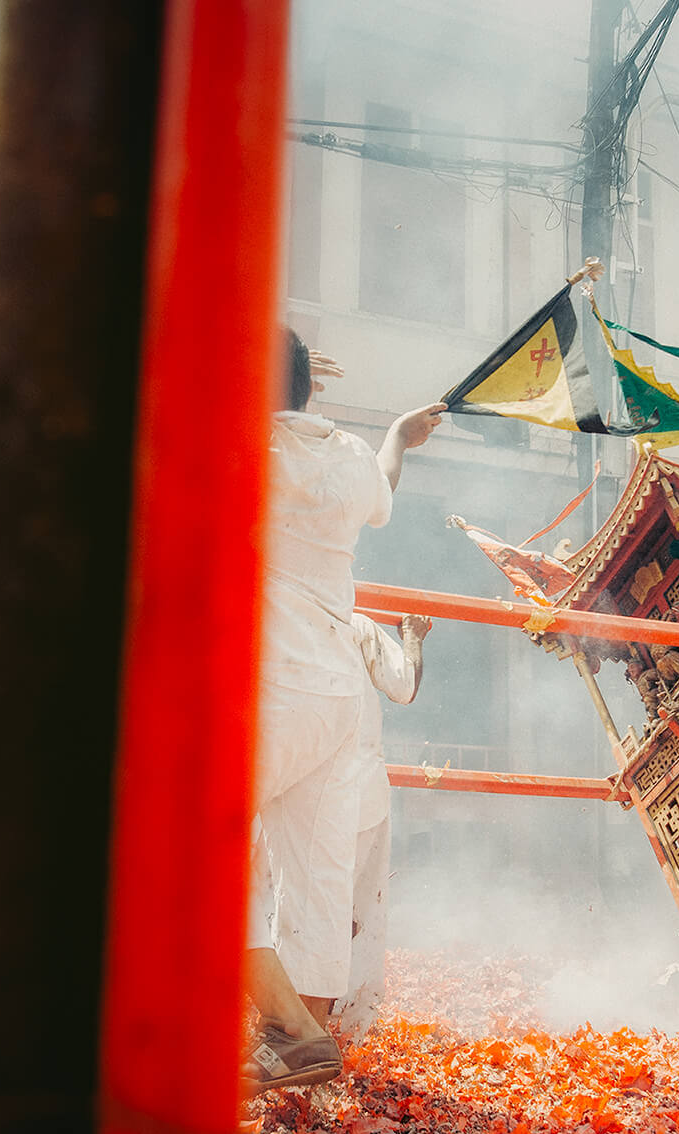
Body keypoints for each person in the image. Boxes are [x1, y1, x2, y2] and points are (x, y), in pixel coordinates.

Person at [242, 331, 442, 1092]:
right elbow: (384, 487)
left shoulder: (251, 453)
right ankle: (299, 1039)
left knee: (188, 845)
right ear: (308, 391)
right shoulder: (349, 459)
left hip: (268, 686)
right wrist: (397, 433)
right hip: (334, 696)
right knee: (316, 869)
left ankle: (289, 1025)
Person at [333, 611, 430, 1039]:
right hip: (354, 788)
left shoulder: (273, 618)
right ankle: (338, 1021)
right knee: (352, 905)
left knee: (300, 902)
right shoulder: (354, 622)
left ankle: (298, 1025)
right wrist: (412, 635)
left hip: (305, 782)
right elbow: (405, 685)